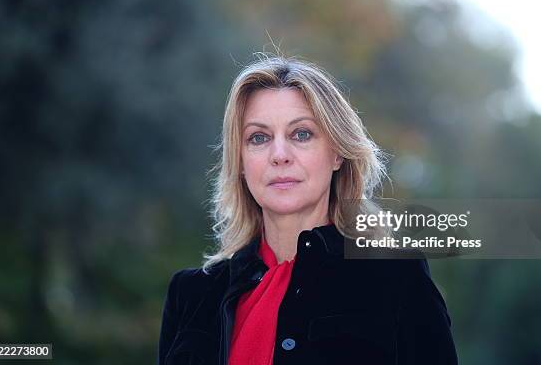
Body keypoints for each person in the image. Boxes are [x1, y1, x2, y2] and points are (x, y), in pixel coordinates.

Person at [157, 54, 458, 365]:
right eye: (258, 138)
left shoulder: (395, 276)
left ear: (338, 154)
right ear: (242, 163)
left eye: (301, 134)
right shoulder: (191, 294)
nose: (279, 155)